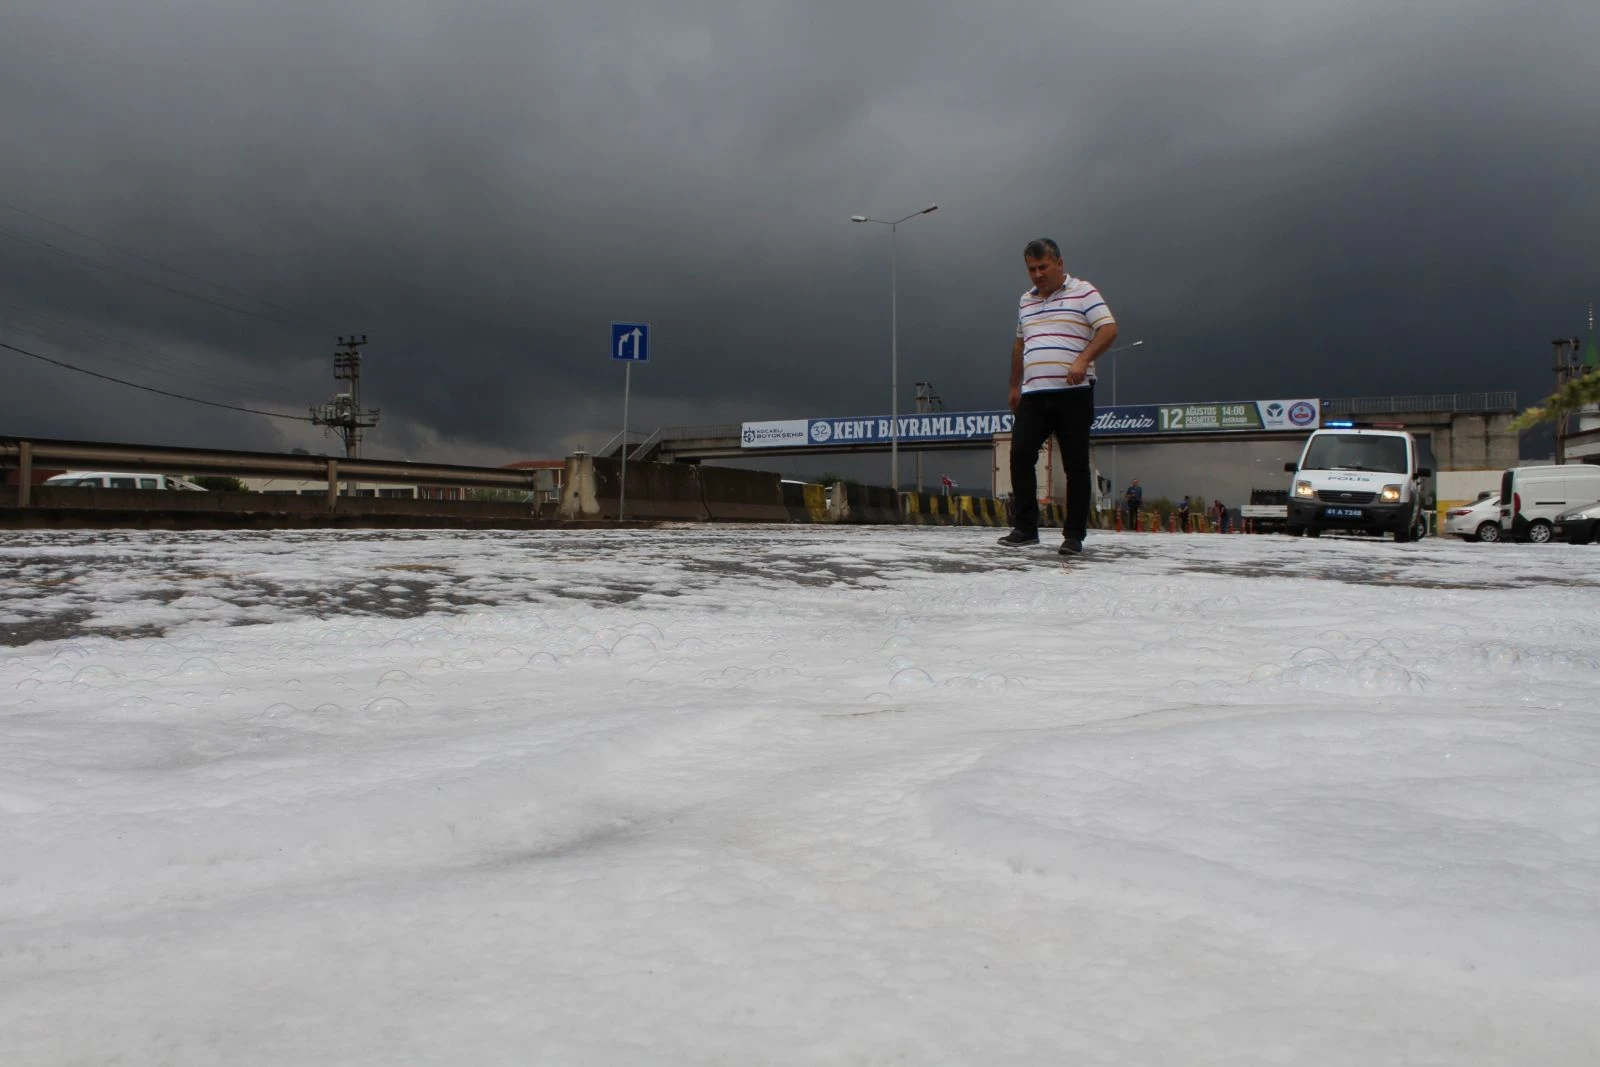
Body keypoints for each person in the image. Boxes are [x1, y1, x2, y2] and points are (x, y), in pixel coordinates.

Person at [997, 238, 1118, 555]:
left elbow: (1108, 329)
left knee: (1075, 465)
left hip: (1073, 393)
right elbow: (1019, 344)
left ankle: (1073, 536)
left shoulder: (1083, 292)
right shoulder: (1026, 301)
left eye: (1043, 267)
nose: (1037, 275)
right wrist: (1013, 385)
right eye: (1031, 269)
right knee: (1020, 455)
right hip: (1034, 395)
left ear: (1059, 264)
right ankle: (1025, 528)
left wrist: (1082, 360)